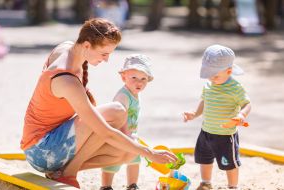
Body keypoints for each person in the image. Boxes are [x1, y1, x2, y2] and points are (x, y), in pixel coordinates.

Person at [20, 18, 177, 189]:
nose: (107, 60)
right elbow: (106, 132)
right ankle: (69, 173)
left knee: (127, 153)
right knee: (116, 111)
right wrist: (150, 154)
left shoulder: (69, 48)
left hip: (54, 142)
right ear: (87, 45)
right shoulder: (66, 79)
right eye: (104, 54)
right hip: (40, 150)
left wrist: (137, 147)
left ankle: (61, 172)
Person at [183, 44, 252, 190]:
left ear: (229, 71)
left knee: (229, 164)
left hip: (225, 135)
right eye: (209, 74)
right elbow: (203, 101)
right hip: (206, 131)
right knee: (204, 159)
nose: (212, 78)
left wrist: (241, 115)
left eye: (215, 75)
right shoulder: (209, 85)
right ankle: (206, 182)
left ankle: (233, 186)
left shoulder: (235, 87)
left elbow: (247, 104)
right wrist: (194, 114)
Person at [100, 54, 153, 190]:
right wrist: (126, 134)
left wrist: (132, 135)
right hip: (118, 135)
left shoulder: (135, 93)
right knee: (112, 161)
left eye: (143, 79)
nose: (139, 82)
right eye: (133, 77)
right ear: (123, 77)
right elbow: (119, 115)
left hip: (130, 136)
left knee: (135, 159)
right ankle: (106, 186)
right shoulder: (123, 95)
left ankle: (132, 185)